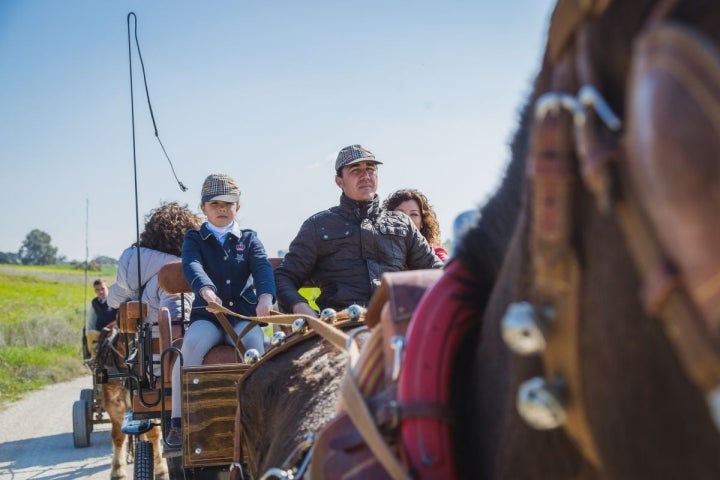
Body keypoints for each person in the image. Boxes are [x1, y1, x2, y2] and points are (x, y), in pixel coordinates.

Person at [166, 173, 276, 449]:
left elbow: (262, 267)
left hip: (242, 316)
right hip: (209, 317)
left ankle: (261, 418)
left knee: (255, 347)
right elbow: (192, 265)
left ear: (237, 207)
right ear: (203, 208)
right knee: (188, 348)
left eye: (229, 204)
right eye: (215, 204)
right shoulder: (195, 238)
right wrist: (206, 291)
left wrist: (265, 297)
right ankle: (179, 421)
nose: (222, 209)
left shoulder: (250, 239)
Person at [275, 144, 444, 317]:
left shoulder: (402, 223)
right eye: (356, 170)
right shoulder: (318, 226)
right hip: (339, 324)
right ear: (339, 181)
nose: (365, 176)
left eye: (371, 169)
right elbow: (284, 276)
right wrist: (299, 305)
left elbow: (435, 269)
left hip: (394, 322)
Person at [107, 201, 201, 374]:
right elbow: (177, 328)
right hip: (173, 367)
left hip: (146, 365)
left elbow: (112, 300)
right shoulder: (175, 278)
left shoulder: (134, 272)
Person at [383, 188, 449, 261]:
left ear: (422, 222)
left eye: (414, 214)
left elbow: (448, 267)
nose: (407, 219)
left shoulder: (435, 253)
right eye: (400, 213)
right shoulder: (379, 252)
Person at [84, 278, 118, 359]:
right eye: (97, 290)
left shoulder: (114, 300)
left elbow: (119, 316)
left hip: (114, 330)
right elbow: (92, 319)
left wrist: (111, 326)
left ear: (108, 288)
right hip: (100, 331)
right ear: (95, 291)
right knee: (90, 333)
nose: (101, 292)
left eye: (103, 288)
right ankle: (94, 359)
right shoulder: (95, 302)